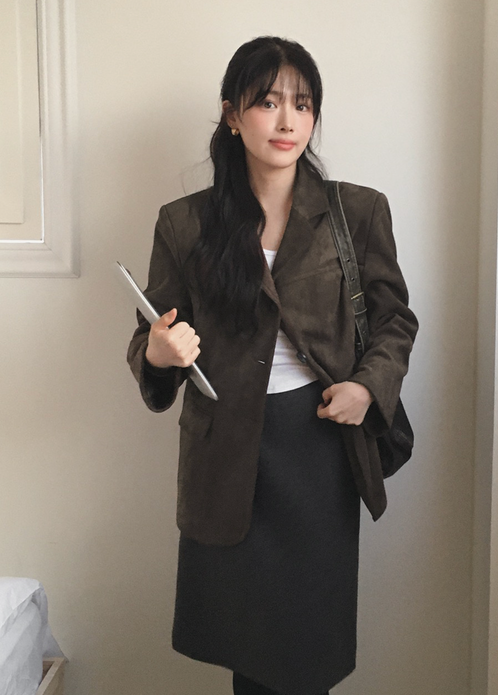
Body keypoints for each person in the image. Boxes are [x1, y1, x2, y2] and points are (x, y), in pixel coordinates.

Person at [127, 36, 418, 695]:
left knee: (307, 650)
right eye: (267, 102)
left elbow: (394, 320)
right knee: (248, 651)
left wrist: (367, 388)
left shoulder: (356, 211)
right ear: (232, 115)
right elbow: (152, 333)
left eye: (303, 104)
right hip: (227, 456)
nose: (288, 120)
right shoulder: (185, 223)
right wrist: (157, 352)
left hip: (317, 448)